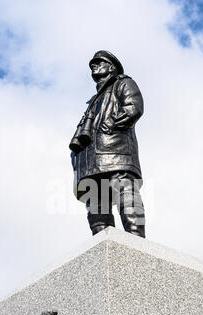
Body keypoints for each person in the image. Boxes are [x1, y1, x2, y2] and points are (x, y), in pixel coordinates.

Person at [70, 50, 145, 238]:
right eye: (92, 64)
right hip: (90, 161)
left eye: (99, 62)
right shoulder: (93, 101)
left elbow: (133, 107)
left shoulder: (122, 83)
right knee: (95, 206)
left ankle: (137, 242)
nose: (94, 66)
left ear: (111, 67)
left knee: (126, 193)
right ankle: (103, 245)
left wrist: (110, 123)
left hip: (115, 151)